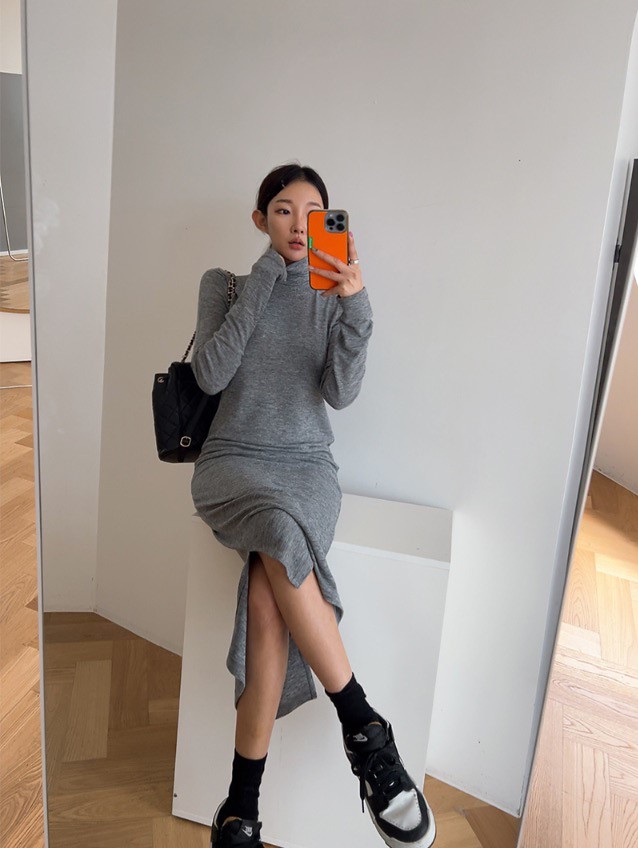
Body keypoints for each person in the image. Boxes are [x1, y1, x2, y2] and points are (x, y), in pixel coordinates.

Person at [190, 162, 436, 848]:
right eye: (283, 211)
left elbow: (340, 392)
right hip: (232, 463)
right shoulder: (225, 284)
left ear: (329, 222)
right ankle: (364, 727)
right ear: (260, 219)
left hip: (305, 468)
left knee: (268, 594)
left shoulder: (333, 293)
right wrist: (269, 275)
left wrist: (356, 305)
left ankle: (241, 807)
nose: (299, 226)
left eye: (313, 214)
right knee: (276, 535)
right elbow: (210, 373)